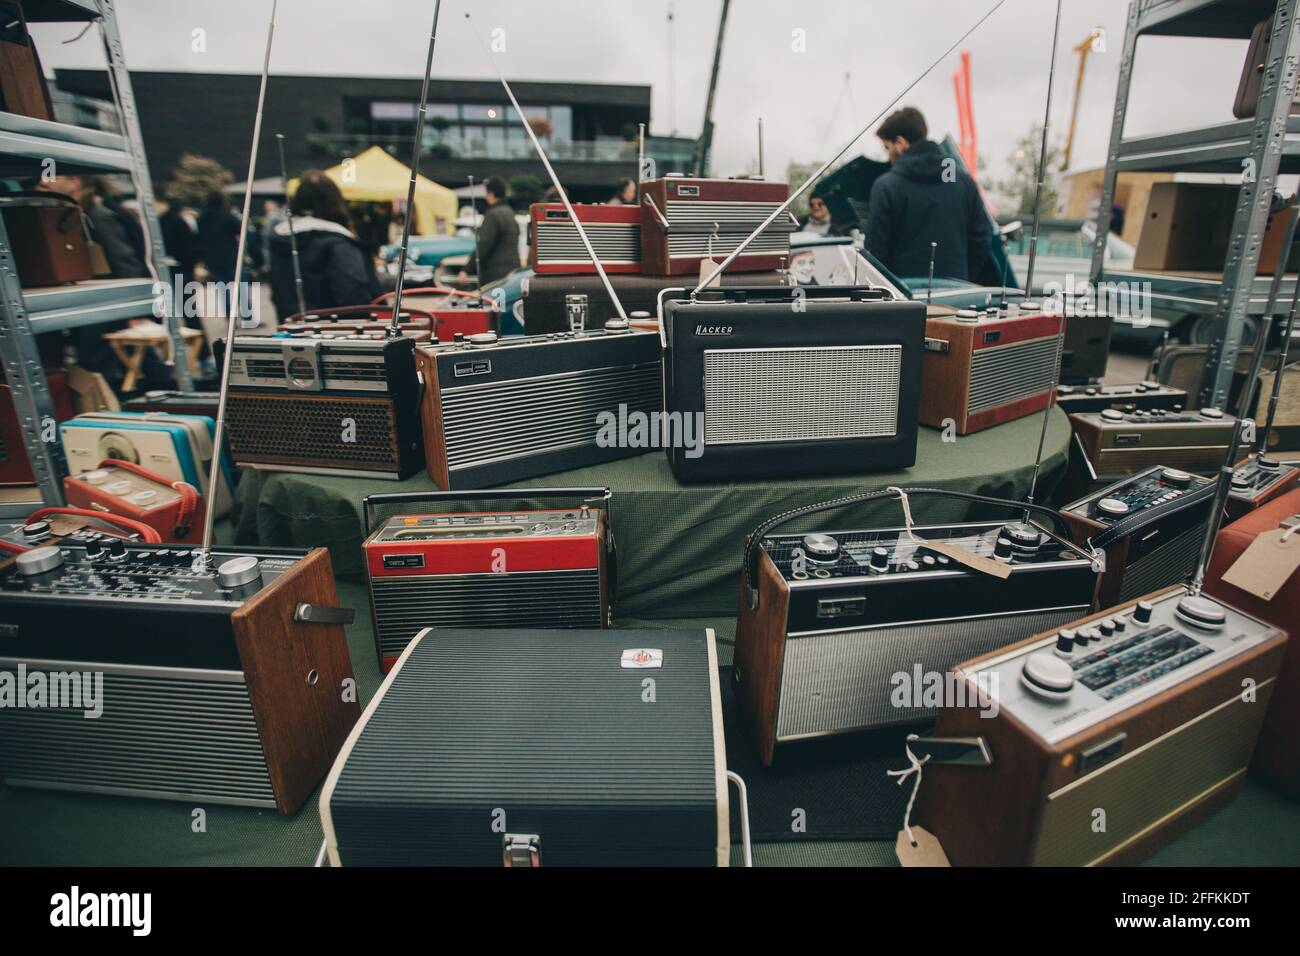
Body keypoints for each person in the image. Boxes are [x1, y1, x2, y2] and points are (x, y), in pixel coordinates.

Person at [863, 107, 989, 282]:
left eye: (887, 147)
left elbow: (875, 252)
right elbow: (981, 241)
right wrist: (963, 277)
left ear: (900, 143)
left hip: (903, 295)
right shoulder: (962, 181)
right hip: (957, 291)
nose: (888, 156)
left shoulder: (886, 186)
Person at [268, 170, 380, 320]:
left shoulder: (281, 239)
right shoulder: (338, 243)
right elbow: (353, 294)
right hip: (337, 333)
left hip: (291, 329)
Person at [459, 176, 520, 287]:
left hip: (494, 274)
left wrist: (466, 270)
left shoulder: (493, 214)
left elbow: (484, 244)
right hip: (512, 272)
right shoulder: (510, 212)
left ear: (491, 194)